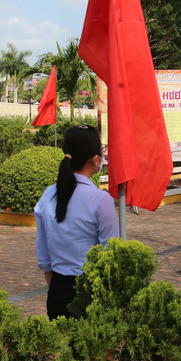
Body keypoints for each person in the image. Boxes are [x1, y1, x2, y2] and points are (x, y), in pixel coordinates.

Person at [34, 125, 119, 319]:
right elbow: (110, 254)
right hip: (90, 293)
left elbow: (44, 256)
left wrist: (57, 290)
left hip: (57, 292)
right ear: (95, 159)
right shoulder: (100, 199)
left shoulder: (48, 195)